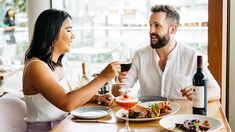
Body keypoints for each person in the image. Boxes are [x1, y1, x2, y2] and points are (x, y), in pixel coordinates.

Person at [23, 9, 120, 131]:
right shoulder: (36, 66)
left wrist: (95, 98)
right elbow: (66, 102)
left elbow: (67, 94)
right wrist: (103, 77)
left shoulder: (56, 65)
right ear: (52, 33)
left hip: (63, 126)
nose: (73, 36)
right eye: (68, 30)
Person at [113, 4, 221, 101]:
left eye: (157, 25)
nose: (151, 31)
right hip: (145, 116)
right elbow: (119, 91)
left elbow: (216, 91)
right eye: (150, 25)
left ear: (172, 30)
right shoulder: (140, 55)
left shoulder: (192, 56)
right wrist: (119, 85)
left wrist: (198, 94)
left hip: (179, 118)